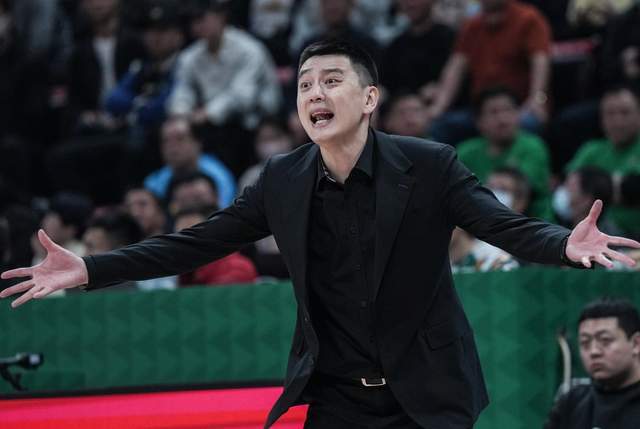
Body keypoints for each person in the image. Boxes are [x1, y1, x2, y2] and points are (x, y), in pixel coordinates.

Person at [2, 39, 640, 429]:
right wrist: (91, 269)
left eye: (332, 80)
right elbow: (195, 242)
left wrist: (565, 244)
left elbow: (501, 224)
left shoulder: (428, 165)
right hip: (338, 397)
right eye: (305, 85)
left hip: (426, 393)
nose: (315, 93)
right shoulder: (281, 179)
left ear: (369, 99)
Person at [428, 0, 552, 144]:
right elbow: (455, 67)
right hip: (481, 111)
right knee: (439, 127)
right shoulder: (472, 26)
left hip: (518, 108)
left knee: (529, 123)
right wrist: (438, 107)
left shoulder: (528, 19)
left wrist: (538, 99)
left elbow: (540, 62)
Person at [456, 87, 553, 219]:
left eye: (508, 110)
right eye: (493, 112)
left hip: (534, 224)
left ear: (518, 115)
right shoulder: (466, 152)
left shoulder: (533, 147)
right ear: (479, 122)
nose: (502, 119)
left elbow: (519, 191)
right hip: (477, 224)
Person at [544, 297, 640, 429]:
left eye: (605, 340)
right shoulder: (571, 402)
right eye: (585, 343)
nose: (594, 351)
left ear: (636, 344)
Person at [566, 85, 640, 237]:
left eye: (625, 112)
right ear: (602, 118)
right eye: (610, 114)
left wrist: (596, 188)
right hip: (595, 235)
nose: (618, 121)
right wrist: (623, 189)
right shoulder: (591, 150)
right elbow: (570, 191)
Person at [144, 117, 236, 208]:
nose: (172, 147)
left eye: (180, 139)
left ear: (198, 143)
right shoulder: (153, 184)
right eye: (165, 141)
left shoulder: (220, 178)